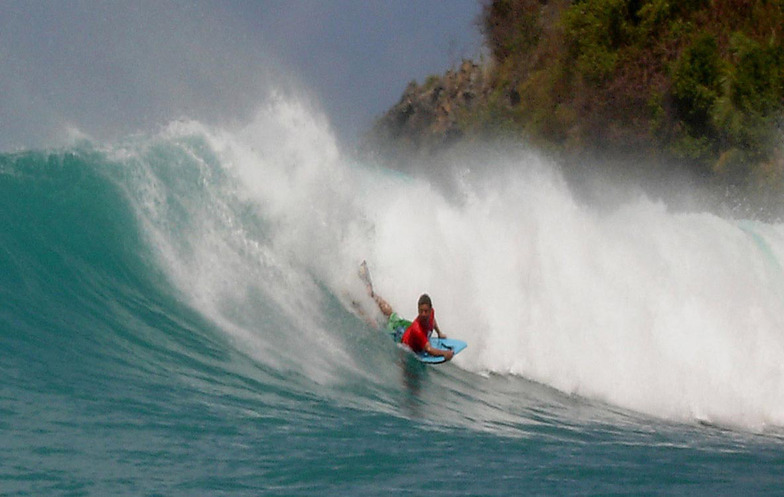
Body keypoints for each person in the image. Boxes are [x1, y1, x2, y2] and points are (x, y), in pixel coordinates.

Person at [371, 291, 454, 362]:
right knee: (391, 317)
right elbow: (429, 349)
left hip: (408, 328)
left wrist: (439, 333)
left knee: (394, 316)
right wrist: (445, 353)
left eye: (426, 311)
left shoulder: (431, 313)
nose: (423, 314)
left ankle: (373, 296)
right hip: (401, 336)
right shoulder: (417, 329)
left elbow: (433, 321)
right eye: (421, 311)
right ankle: (371, 296)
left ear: (430, 310)